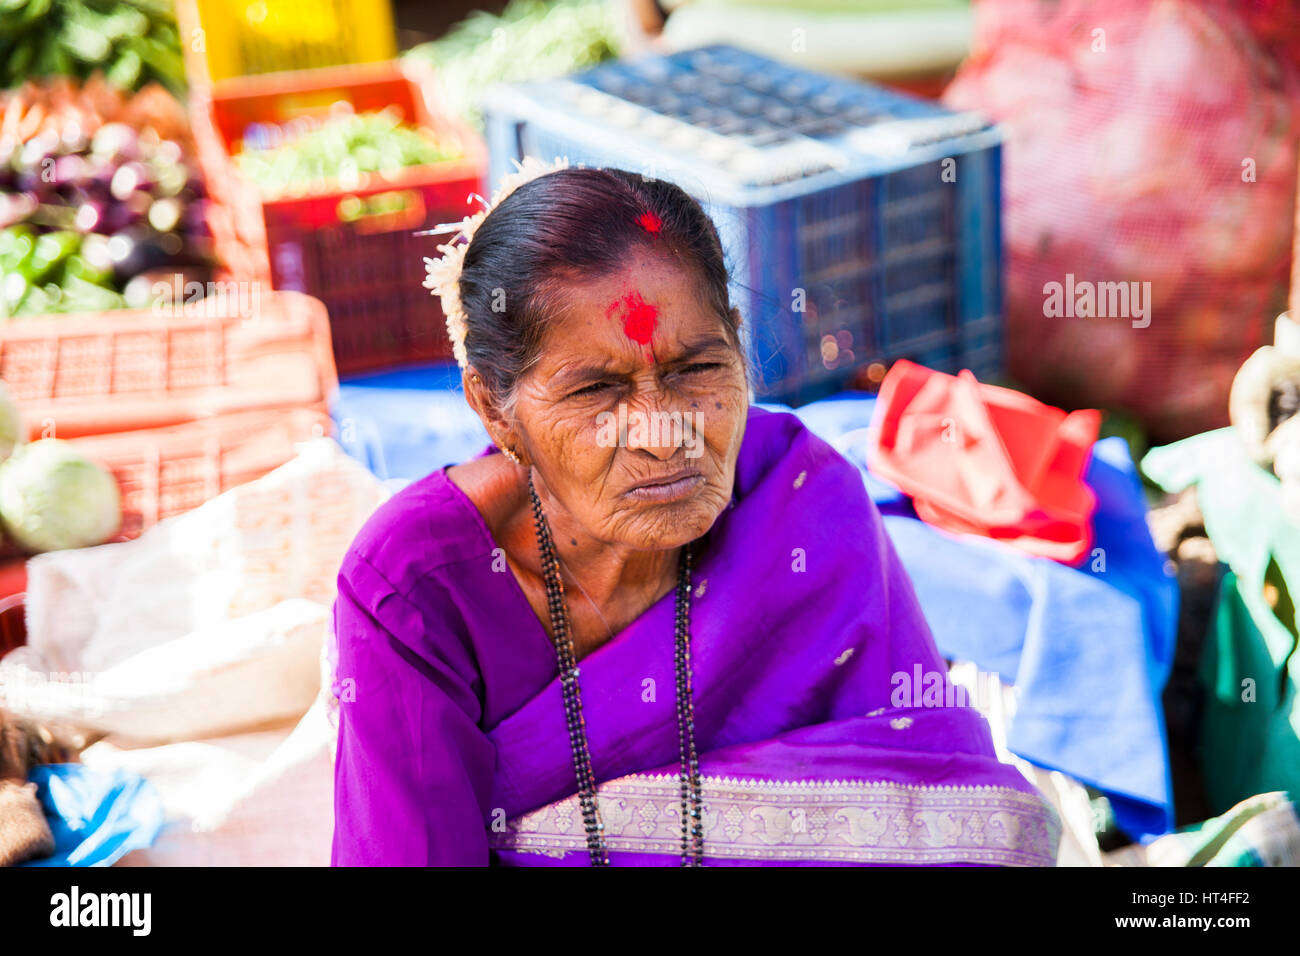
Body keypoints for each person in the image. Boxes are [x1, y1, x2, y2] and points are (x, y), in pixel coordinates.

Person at [329, 159, 1059, 866]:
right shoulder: (416, 586)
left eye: (696, 369)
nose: (665, 431)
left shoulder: (799, 502)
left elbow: (922, 810)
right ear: (495, 410)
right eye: (596, 392)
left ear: (738, 344)